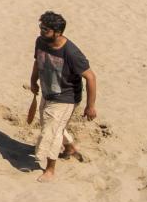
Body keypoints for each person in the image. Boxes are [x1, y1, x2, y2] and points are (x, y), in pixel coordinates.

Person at [30, 11, 98, 183]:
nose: (41, 31)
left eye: (45, 29)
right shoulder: (41, 41)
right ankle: (70, 147)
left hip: (66, 97)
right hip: (48, 93)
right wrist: (33, 81)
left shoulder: (71, 53)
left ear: (58, 32)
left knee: (51, 133)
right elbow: (38, 61)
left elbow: (90, 77)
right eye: (40, 27)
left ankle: (50, 169)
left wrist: (90, 106)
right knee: (51, 125)